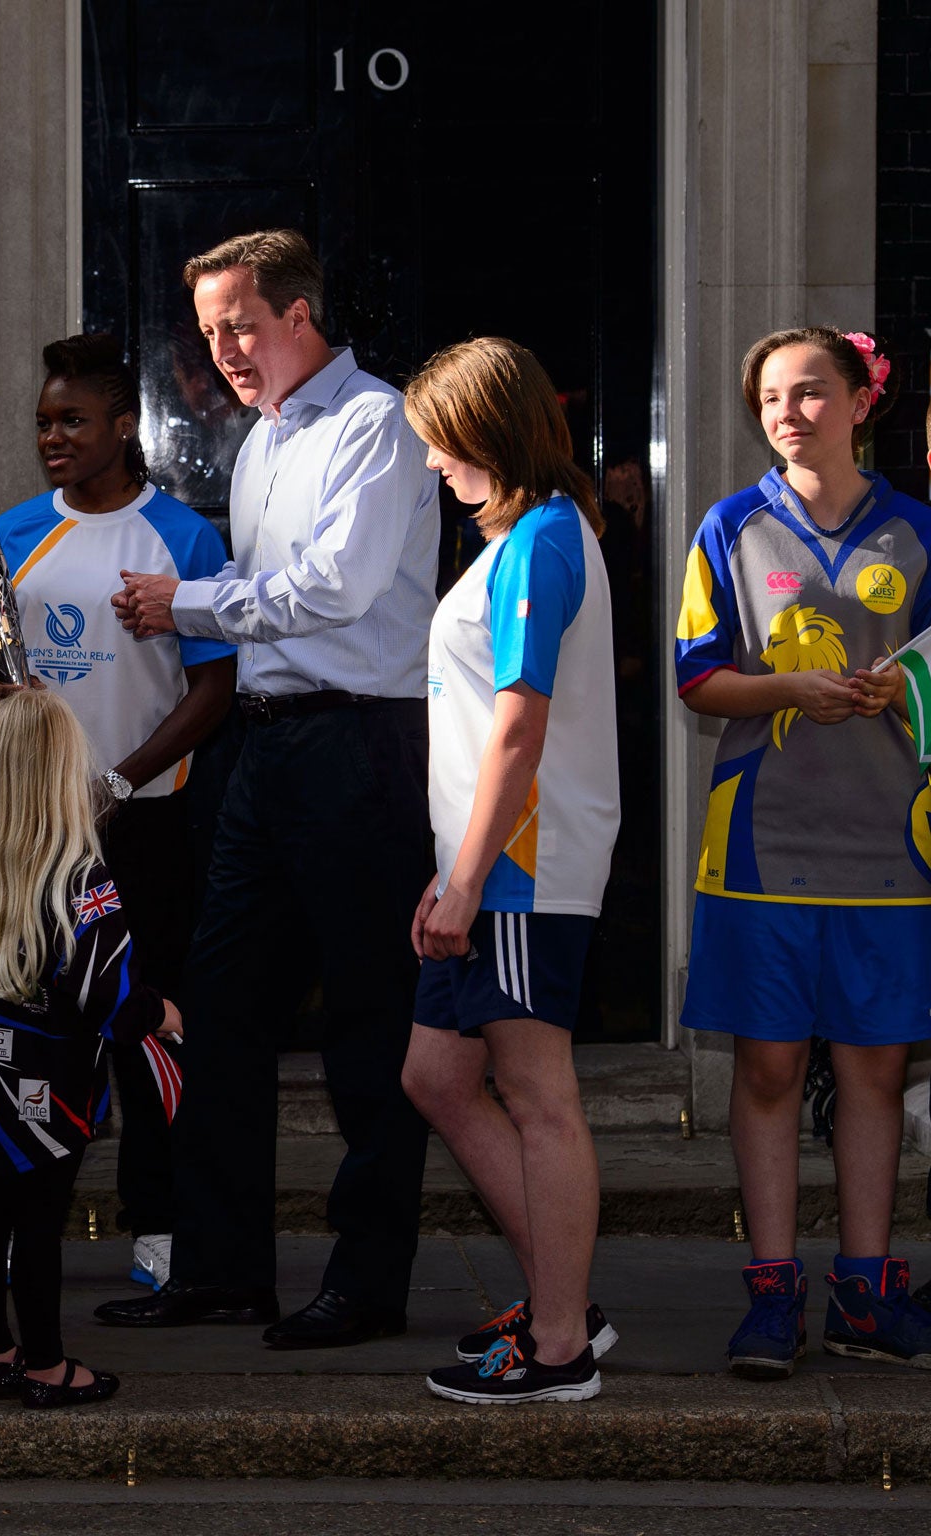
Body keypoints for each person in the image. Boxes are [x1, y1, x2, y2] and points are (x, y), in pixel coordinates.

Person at [102, 229, 439, 1348]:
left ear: (300, 312)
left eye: (239, 324)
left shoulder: (375, 423)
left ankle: (367, 1281)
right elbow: (263, 592)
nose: (223, 352)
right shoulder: (257, 446)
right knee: (221, 1011)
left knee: (366, 1022)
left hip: (360, 748)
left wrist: (184, 604)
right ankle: (220, 1266)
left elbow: (331, 592)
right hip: (264, 751)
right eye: (207, 333)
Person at [674, 326, 931, 1379]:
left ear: (860, 401)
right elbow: (697, 679)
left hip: (890, 850)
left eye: (810, 392)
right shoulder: (728, 526)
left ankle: (864, 1292)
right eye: (771, 397)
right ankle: (770, 1290)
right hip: (759, 848)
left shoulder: (917, 530)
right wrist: (788, 689)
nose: (787, 412)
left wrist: (900, 683)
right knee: (769, 1065)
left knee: (872, 1070)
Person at [0, 332, 234, 1291]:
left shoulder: (184, 538)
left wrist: (121, 780)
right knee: (24, 1025)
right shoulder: (7, 533)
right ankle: (10, 1223)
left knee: (145, 1022)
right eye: (44, 422)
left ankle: (159, 1223)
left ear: (124, 427)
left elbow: (213, 687)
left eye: (73, 421)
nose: (54, 436)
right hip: (32, 828)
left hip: (145, 818)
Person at [392, 338, 620, 1405]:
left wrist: (471, 876)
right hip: (487, 867)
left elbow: (517, 732)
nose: (433, 461)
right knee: (435, 1077)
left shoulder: (539, 539)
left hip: (523, 870)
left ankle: (561, 1342)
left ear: (485, 428)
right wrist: (450, 871)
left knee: (535, 1095)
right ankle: (560, 1299)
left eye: (440, 440)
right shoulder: (519, 540)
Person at [0, 688, 182, 1408]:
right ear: (62, 772)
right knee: (41, 1223)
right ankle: (48, 1366)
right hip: (54, 1084)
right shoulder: (83, 878)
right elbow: (107, 997)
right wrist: (165, 1012)